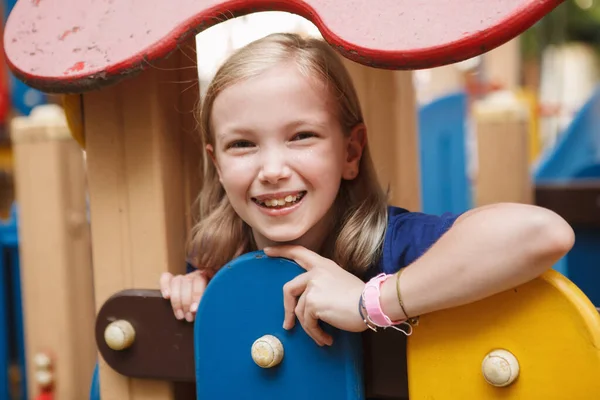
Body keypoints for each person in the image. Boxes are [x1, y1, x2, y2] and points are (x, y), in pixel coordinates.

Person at [160, 32, 574, 346]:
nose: (271, 169)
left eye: (302, 136)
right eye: (243, 144)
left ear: (350, 152)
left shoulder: (393, 246)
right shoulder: (217, 257)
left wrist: (372, 303)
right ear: (217, 165)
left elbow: (543, 232)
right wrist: (198, 295)